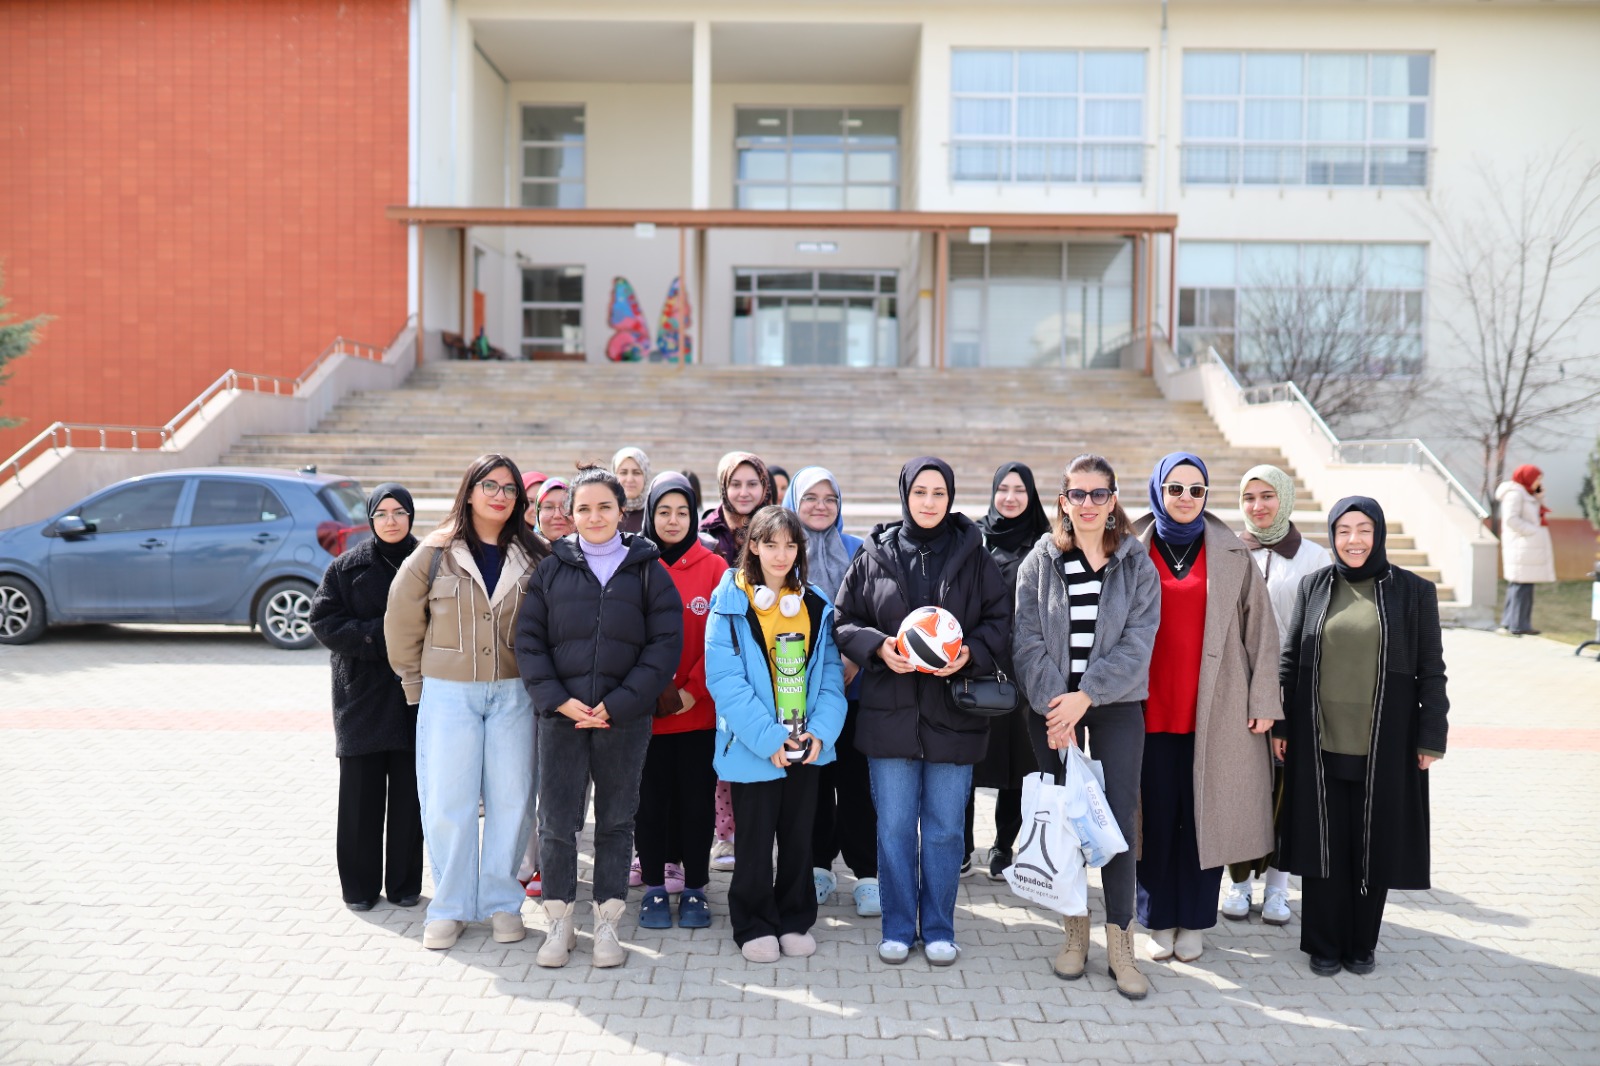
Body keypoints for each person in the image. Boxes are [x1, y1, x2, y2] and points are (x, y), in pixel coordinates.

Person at [834, 457, 1011, 966]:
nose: (929, 502)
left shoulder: (974, 554)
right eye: (920, 492)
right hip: (889, 716)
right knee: (893, 828)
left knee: (944, 831)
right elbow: (844, 619)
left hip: (953, 717)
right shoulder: (875, 553)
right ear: (905, 495)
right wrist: (877, 647)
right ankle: (896, 926)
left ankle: (937, 928)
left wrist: (969, 652)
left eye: (938, 493)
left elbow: (1000, 620)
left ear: (950, 497)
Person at [514, 468, 683, 969]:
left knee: (615, 822)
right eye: (583, 508)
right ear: (571, 514)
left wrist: (621, 702)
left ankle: (607, 922)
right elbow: (529, 643)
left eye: (604, 507)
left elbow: (664, 645)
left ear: (620, 510)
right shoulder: (551, 569)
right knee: (557, 823)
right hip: (562, 718)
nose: (593, 517)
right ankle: (560, 922)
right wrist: (559, 701)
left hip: (623, 720)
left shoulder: (649, 569)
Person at [1277, 497, 1448, 977]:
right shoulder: (1314, 586)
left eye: (1364, 530)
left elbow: (1431, 670)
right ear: (1333, 536)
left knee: (1373, 844)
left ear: (1379, 534)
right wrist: (1283, 725)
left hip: (1386, 741)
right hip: (1318, 738)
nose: (1354, 540)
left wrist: (1431, 736)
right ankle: (1323, 943)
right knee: (1324, 844)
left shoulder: (1413, 592)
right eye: (1344, 530)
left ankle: (1361, 944)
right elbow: (1290, 661)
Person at [385, 455, 548, 951]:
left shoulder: (535, 555)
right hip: (449, 694)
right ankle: (450, 906)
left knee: (512, 799)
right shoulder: (435, 552)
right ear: (470, 491)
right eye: (489, 485)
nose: (500, 496)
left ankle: (502, 903)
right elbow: (402, 621)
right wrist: (415, 685)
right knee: (447, 801)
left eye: (510, 489)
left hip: (515, 693)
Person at [1012, 454, 1159, 999]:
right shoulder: (1041, 560)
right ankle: (1074, 932)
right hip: (1052, 710)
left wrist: (1086, 696)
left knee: (1116, 822)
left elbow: (1138, 643)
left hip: (1115, 705)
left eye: (1100, 494)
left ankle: (1121, 944)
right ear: (1064, 501)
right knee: (1066, 820)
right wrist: (1058, 707)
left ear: (1113, 499)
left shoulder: (1136, 563)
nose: (1089, 503)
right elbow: (1026, 639)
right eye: (1079, 493)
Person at [1132, 452, 1280, 964]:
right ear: (1158, 491)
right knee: (1154, 818)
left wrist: (1264, 700)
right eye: (1175, 488)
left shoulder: (1232, 552)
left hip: (1216, 712)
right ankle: (1156, 919)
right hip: (1147, 710)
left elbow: (1262, 632)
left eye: (1196, 490)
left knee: (1204, 820)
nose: (1186, 498)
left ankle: (1194, 921)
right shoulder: (1131, 547)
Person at [706, 506, 847, 962]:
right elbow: (725, 680)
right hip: (755, 747)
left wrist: (820, 733)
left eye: (790, 545)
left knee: (799, 838)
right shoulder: (729, 600)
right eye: (770, 544)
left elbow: (831, 677)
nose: (781, 554)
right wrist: (768, 739)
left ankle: (794, 918)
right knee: (753, 840)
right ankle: (752, 923)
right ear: (753, 546)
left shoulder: (815, 603)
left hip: (806, 745)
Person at [1222, 465, 1333, 927]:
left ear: (1284, 498)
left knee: (1287, 791)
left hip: (1292, 689)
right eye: (1249, 497)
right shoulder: (1228, 550)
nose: (1258, 506)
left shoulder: (1315, 558)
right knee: (1241, 786)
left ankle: (1278, 887)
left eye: (1267, 496)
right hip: (1236, 688)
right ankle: (1238, 882)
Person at [310, 482, 425, 912]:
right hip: (361, 694)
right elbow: (323, 621)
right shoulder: (346, 567)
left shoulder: (430, 562)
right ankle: (358, 888)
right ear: (371, 518)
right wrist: (380, 635)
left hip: (415, 693)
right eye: (382, 514)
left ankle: (404, 885)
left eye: (399, 513)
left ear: (410, 516)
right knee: (360, 797)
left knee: (410, 797)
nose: (391, 521)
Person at [783, 467, 879, 918]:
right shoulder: (782, 549)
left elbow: (876, 608)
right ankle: (818, 867)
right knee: (812, 785)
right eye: (810, 498)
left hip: (854, 691)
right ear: (793, 502)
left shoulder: (859, 550)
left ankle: (868, 874)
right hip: (798, 695)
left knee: (858, 785)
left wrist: (854, 658)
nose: (821, 506)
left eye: (830, 498)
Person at [634, 472, 727, 932]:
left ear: (694, 515)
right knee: (649, 803)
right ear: (650, 514)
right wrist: (649, 689)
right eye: (663, 511)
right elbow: (625, 633)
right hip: (645, 714)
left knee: (696, 804)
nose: (673, 520)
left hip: (697, 713)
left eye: (682, 512)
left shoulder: (715, 568)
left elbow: (722, 639)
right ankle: (653, 885)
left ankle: (695, 888)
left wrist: (692, 690)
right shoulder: (634, 564)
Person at [968, 461, 1052, 881]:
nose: (1011, 497)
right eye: (1003, 489)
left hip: (1024, 670)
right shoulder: (973, 536)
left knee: (1019, 763)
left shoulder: (1046, 542)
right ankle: (960, 847)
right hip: (975, 662)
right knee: (965, 757)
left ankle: (1004, 844)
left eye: (1020, 490)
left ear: (1031, 495)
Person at [701, 451, 777, 871]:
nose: (744, 492)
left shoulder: (775, 527)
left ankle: (759, 833)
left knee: (759, 737)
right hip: (720, 650)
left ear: (765, 487)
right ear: (723, 487)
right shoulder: (706, 534)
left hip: (767, 652)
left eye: (752, 483)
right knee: (726, 743)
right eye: (735, 484)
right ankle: (725, 835)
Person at [1495, 465, 1555, 636]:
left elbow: (1538, 514)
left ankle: (1512, 623)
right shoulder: (1515, 494)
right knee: (1521, 586)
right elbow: (1511, 519)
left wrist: (1539, 497)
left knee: (1522, 585)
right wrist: (1532, 531)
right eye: (1537, 478)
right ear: (1527, 477)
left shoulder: (1527, 493)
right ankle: (1517, 625)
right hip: (1520, 546)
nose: (1539, 482)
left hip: (1526, 547)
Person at [613, 447, 652, 535]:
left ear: (646, 476)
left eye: (636, 473)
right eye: (623, 472)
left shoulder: (653, 514)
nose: (630, 479)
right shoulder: (606, 512)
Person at [533, 478, 574, 543]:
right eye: (548, 507)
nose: (557, 515)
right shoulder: (523, 548)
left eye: (565, 506)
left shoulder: (591, 548)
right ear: (538, 514)